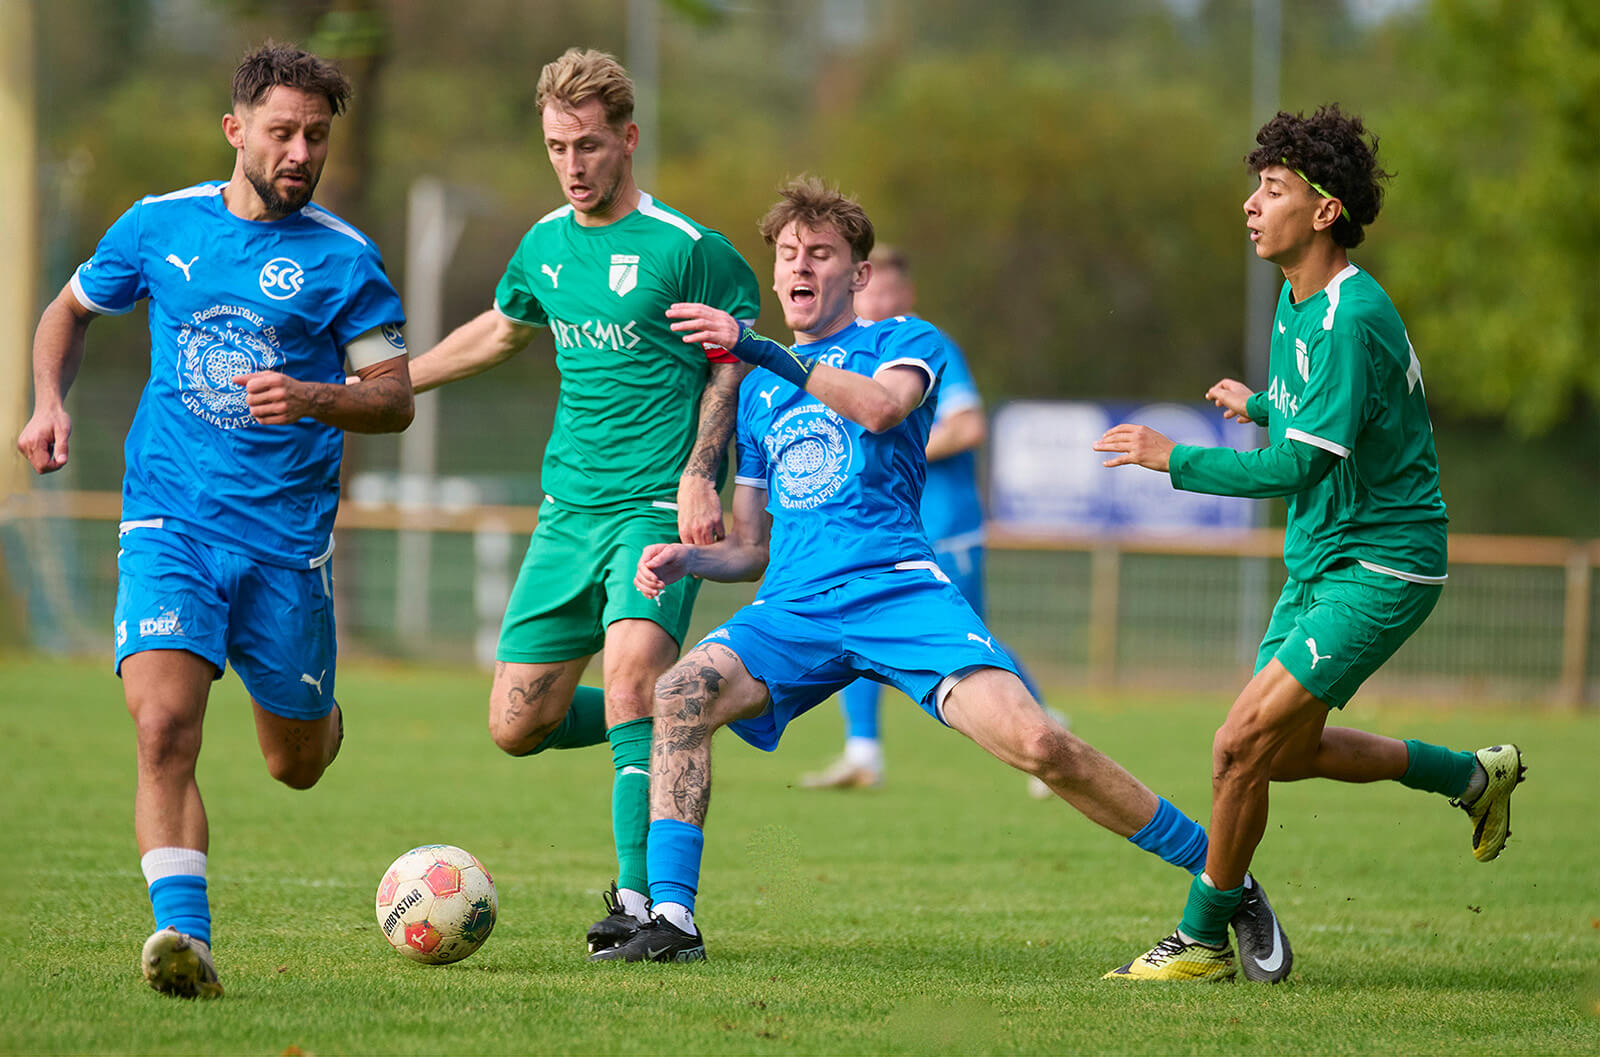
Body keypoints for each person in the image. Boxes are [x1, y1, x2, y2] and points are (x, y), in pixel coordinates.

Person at [591, 177, 1281, 970]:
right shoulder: (756, 393)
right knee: (680, 692)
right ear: (775, 271)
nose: (801, 266)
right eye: (789, 254)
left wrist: (757, 349)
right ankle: (673, 917)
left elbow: (881, 410)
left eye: (822, 253)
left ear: (856, 275)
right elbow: (751, 546)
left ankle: (1223, 878)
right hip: (795, 607)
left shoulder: (902, 341)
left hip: (897, 589)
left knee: (1041, 744)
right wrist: (691, 557)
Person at [15, 43, 414, 998]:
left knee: (296, 765)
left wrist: (315, 396)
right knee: (162, 728)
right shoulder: (158, 227)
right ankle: (183, 940)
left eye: (316, 136)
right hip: (170, 521)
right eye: (282, 132)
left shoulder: (344, 258)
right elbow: (67, 312)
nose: (300, 152)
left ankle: (318, 716)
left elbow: (394, 396)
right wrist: (47, 402)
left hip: (283, 545)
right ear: (236, 130)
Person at [1094, 105, 1524, 983]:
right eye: (1256, 185)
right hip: (1320, 559)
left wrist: (1172, 457)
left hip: (1383, 562)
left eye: (1275, 188)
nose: (1253, 203)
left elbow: (1295, 467)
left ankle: (1203, 937)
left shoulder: (1353, 314)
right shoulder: (1299, 303)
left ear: (1325, 210)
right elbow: (1319, 420)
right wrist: (1258, 404)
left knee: (1235, 743)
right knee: (1277, 754)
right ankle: (1473, 777)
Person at [404, 47, 761, 956]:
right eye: (558, 145)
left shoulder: (688, 249)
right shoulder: (543, 245)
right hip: (566, 513)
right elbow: (499, 329)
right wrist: (392, 383)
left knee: (635, 672)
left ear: (628, 139)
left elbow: (730, 365)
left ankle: (643, 904)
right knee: (515, 723)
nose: (572, 164)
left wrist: (698, 473)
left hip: (652, 505)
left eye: (590, 145)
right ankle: (684, 715)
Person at [797, 245, 1060, 794]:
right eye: (873, 292)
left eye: (894, 293)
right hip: (889, 529)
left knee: (968, 640)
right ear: (855, 287)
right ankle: (863, 751)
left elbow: (968, 427)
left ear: (908, 295)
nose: (883, 303)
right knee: (856, 620)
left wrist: (897, 446)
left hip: (945, 523)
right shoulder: (854, 356)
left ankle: (1046, 730)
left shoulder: (924, 343)